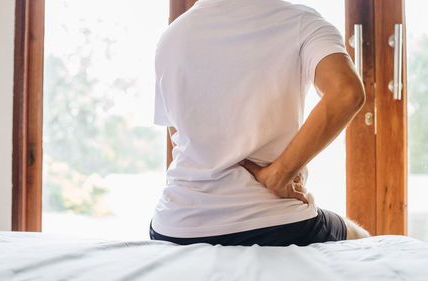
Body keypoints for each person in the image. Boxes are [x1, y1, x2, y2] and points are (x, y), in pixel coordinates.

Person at [149, 0, 370, 246]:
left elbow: (177, 132)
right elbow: (346, 92)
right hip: (275, 223)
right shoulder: (301, 21)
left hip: (175, 226)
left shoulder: (172, 36)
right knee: (364, 239)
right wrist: (279, 175)